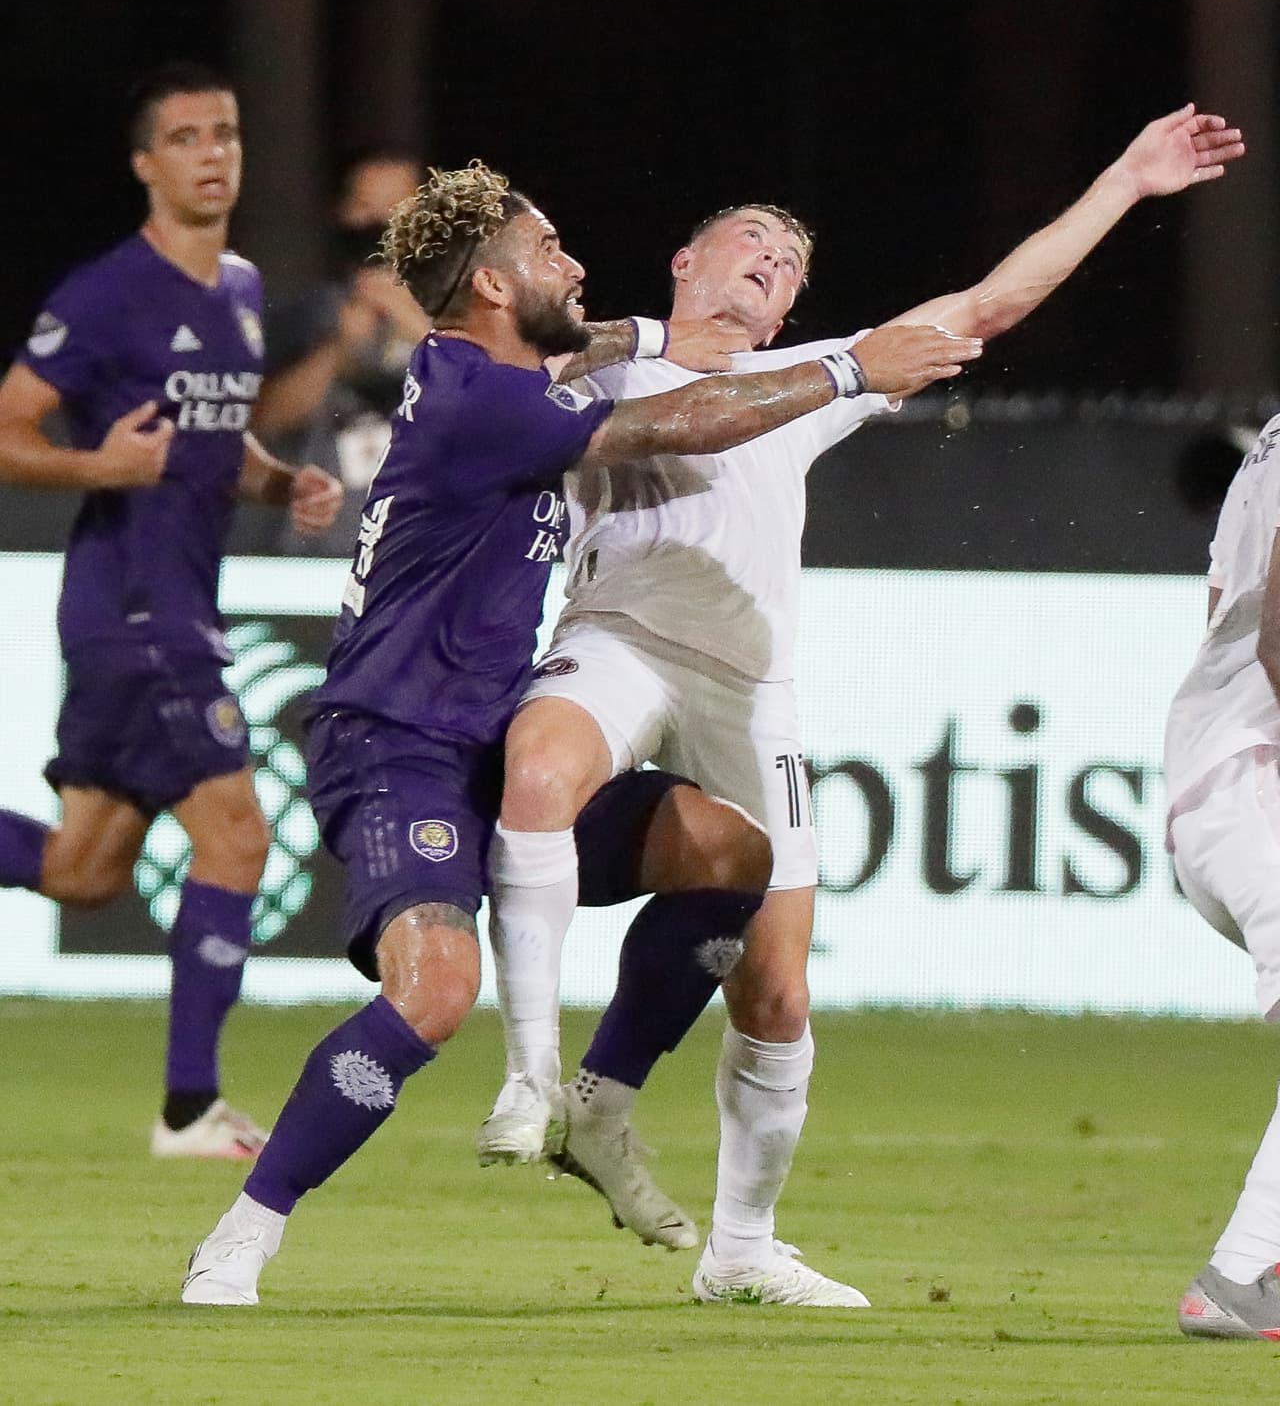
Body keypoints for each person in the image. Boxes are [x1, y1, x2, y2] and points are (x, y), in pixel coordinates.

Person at [478, 103, 1246, 1308]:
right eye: (746, 244)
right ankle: (528, 1073)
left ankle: (738, 1250)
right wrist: (612, 325)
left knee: (776, 985)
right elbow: (479, 348)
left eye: (785, 269)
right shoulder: (598, 362)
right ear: (685, 262)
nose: (766, 268)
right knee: (538, 760)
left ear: (789, 313)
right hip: (617, 638)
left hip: (747, 688)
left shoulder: (813, 380)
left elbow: (987, 308)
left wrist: (1125, 181)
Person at [181, 160, 975, 1305]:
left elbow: (594, 351)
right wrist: (845, 367)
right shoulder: (482, 402)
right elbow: (677, 422)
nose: (573, 263)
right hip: (396, 742)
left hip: (486, 738)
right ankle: (244, 1235)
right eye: (550, 249)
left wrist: (652, 326)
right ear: (496, 288)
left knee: (729, 853)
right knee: (435, 990)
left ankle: (596, 1098)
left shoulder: (492, 370)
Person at [0, 62, 344, 1158]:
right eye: (187, 137)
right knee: (236, 840)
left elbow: (213, 439)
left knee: (82, 873)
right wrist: (98, 465)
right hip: (135, 613)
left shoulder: (240, 290)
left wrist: (279, 480)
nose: (212, 153)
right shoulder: (103, 295)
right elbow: (10, 429)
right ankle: (189, 1108)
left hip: (172, 609)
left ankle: (189, 1107)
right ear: (147, 164)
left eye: (226, 134)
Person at [1169, 412, 1280, 1339]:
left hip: (1218, 787)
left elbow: (1223, 617)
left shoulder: (1270, 444)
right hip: (1256, 784)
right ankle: (1243, 1278)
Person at [244, 146, 430, 557]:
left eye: (396, 210)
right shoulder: (309, 314)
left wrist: (419, 329)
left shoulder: (466, 314)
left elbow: (503, 403)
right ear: (343, 214)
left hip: (423, 553)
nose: (380, 226)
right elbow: (264, 421)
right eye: (366, 209)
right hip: (321, 551)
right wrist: (338, 353)